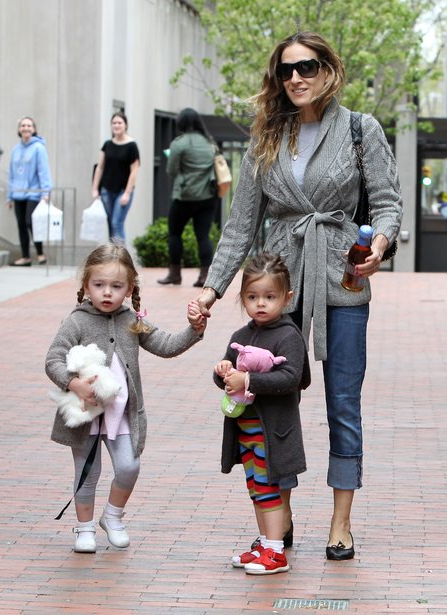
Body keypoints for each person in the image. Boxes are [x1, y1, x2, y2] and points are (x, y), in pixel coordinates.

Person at [196, 31, 403, 560]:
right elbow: (241, 225)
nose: (296, 78)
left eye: (307, 66)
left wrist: (378, 246)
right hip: (280, 284)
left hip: (344, 280)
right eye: (286, 70)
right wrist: (211, 288)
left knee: (342, 402)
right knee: (271, 402)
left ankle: (340, 521)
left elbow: (386, 205)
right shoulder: (266, 135)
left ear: (327, 69)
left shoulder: (361, 128)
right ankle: (278, 521)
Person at [45, 243, 205, 553]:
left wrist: (193, 330)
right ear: (86, 286)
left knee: (129, 467)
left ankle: (113, 516)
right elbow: (53, 358)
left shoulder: (132, 319)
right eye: (99, 285)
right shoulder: (77, 321)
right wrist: (73, 382)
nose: (107, 292)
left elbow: (165, 344)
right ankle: (85, 529)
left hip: (121, 414)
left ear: (129, 288)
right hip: (85, 412)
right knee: (87, 473)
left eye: (116, 286)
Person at [207, 253, 310, 575]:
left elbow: (293, 377)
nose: (260, 304)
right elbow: (226, 377)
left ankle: (277, 552)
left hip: (274, 431)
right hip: (247, 430)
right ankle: (265, 545)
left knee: (269, 488)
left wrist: (249, 379)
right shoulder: (240, 336)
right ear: (243, 298)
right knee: (256, 488)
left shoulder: (288, 335)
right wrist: (222, 370)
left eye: (269, 297)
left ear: (286, 297)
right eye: (253, 297)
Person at [157, 107, 217, 288]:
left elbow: (171, 170)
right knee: (203, 236)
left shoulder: (179, 143)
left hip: (184, 197)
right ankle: (205, 276)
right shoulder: (210, 142)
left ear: (181, 123)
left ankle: (175, 274)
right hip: (207, 196)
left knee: (175, 233)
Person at [7, 116, 52, 266]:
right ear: (19, 129)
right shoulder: (15, 150)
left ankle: (40, 253)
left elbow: (43, 171)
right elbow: (11, 174)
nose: (26, 128)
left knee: (30, 222)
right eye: (23, 125)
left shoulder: (39, 148)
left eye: (29, 125)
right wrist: (9, 195)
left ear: (33, 129)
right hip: (18, 193)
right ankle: (25, 257)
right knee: (20, 224)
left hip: (34, 192)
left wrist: (45, 192)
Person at [92, 112, 140, 244]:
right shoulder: (107, 145)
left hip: (123, 191)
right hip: (107, 190)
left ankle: (120, 260)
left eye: (119, 123)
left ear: (125, 125)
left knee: (116, 223)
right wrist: (95, 188)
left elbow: (134, 170)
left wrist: (127, 193)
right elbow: (100, 167)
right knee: (110, 223)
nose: (116, 125)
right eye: (114, 123)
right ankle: (113, 257)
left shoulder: (131, 146)